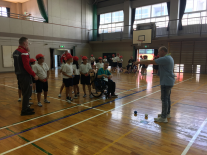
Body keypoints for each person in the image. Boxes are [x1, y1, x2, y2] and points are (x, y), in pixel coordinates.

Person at [134, 46, 175, 123]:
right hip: (169, 80)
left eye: (159, 52)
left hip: (166, 81)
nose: (158, 54)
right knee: (167, 98)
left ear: (163, 51)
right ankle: (167, 113)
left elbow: (151, 62)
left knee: (164, 99)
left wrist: (139, 62)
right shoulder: (169, 57)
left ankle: (163, 117)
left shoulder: (165, 58)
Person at [13, 37, 38, 116]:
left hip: (19, 75)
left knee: (25, 92)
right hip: (25, 75)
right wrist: (34, 74)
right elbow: (27, 66)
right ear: (24, 43)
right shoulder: (24, 52)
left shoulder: (15, 52)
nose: (28, 44)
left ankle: (26, 107)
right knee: (27, 93)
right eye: (27, 43)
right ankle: (24, 110)